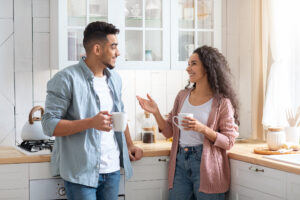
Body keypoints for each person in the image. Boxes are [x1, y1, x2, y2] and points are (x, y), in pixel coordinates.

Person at [42, 21, 143, 200]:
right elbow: (49, 125)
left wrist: (130, 144)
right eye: (113, 47)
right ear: (97, 49)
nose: (118, 53)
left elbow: (120, 113)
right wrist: (90, 123)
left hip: (112, 170)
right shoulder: (66, 79)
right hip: (81, 173)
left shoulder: (115, 79)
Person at [137, 45, 239, 200]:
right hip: (180, 162)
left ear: (208, 67)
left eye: (193, 64)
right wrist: (156, 112)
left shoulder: (221, 103)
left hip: (207, 166)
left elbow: (229, 141)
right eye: (188, 64)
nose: (188, 68)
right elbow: (169, 132)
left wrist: (203, 129)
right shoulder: (182, 96)